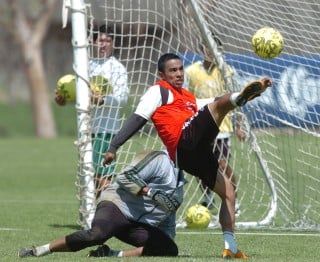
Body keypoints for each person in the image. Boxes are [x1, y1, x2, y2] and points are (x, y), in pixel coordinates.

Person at [103, 53, 272, 259]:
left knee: (228, 192)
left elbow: (214, 100)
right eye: (173, 70)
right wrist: (114, 146)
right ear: (161, 74)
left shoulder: (188, 97)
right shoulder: (158, 91)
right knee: (221, 105)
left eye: (181, 69)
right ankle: (240, 98)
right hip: (182, 142)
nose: (179, 74)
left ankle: (231, 248)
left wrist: (252, 92)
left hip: (194, 155)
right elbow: (138, 118)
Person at [18, 150, 184, 258]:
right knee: (97, 235)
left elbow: (168, 220)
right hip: (116, 204)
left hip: (135, 224)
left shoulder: (179, 190)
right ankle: (39, 250)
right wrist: (149, 191)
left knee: (169, 249)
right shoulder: (158, 159)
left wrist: (164, 241)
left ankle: (111, 254)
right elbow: (124, 177)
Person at [55, 25, 129, 197]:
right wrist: (64, 100)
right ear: (94, 42)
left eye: (107, 41)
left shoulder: (117, 68)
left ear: (113, 43)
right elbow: (79, 96)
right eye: (100, 40)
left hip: (107, 130)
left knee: (104, 178)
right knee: (93, 179)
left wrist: (102, 100)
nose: (103, 44)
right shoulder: (86, 67)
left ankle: (109, 215)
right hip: (87, 130)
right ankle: (99, 215)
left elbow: (123, 98)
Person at [185, 36, 245, 216]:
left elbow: (238, 100)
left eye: (215, 49)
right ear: (202, 49)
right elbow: (186, 99)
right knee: (199, 165)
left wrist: (239, 125)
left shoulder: (227, 72)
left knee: (222, 163)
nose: (211, 52)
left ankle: (233, 197)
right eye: (207, 48)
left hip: (222, 128)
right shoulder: (191, 71)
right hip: (200, 125)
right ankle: (207, 197)